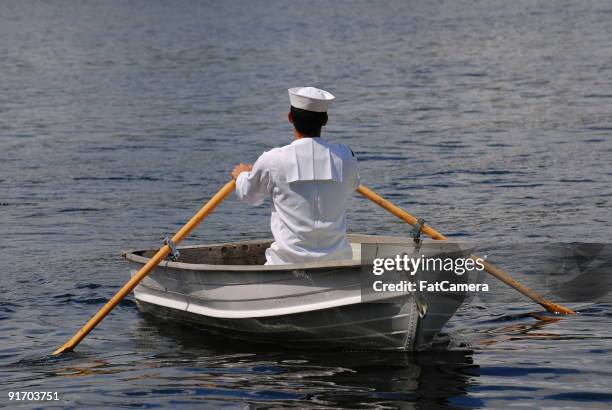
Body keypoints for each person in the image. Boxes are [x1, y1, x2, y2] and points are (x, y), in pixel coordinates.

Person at [231, 87, 359, 265]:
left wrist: (242, 175)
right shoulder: (346, 157)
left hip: (285, 264)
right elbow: (352, 186)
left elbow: (249, 195)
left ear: (290, 117)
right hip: (338, 260)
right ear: (325, 121)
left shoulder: (272, 160)